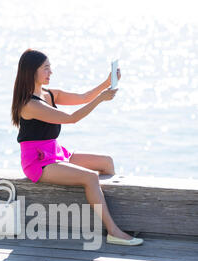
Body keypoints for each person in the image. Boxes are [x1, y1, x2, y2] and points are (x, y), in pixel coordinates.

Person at [11, 49, 143, 246]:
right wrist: (101, 99)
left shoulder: (49, 94)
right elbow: (72, 119)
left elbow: (82, 97)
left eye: (50, 67)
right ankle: (113, 231)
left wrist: (107, 83)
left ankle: (104, 205)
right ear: (32, 71)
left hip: (55, 152)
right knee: (90, 177)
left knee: (106, 162)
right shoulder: (29, 105)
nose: (50, 72)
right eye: (46, 68)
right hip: (38, 162)